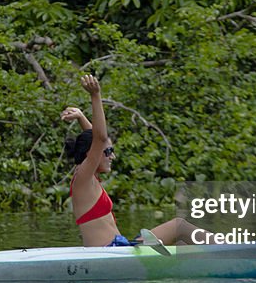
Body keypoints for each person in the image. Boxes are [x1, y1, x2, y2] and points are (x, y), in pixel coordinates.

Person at [62, 75, 211, 247]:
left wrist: (81, 117)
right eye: (109, 152)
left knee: (183, 244)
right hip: (110, 253)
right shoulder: (83, 176)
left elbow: (96, 140)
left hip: (121, 247)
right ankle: (232, 249)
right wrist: (95, 95)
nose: (113, 156)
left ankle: (224, 258)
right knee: (179, 226)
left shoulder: (88, 176)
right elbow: (99, 138)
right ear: (92, 153)